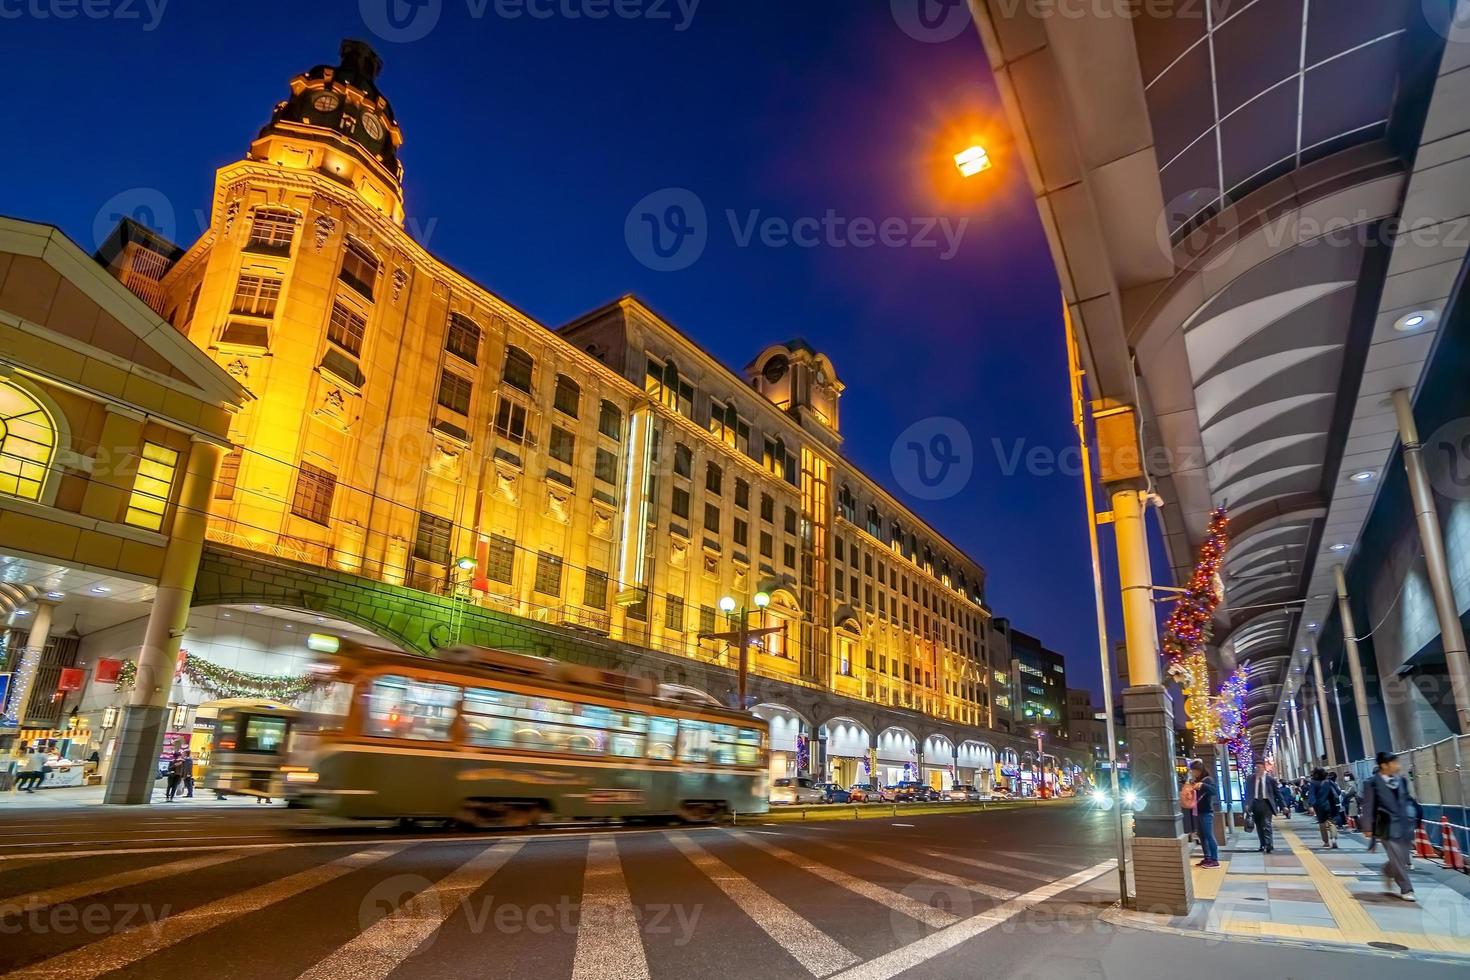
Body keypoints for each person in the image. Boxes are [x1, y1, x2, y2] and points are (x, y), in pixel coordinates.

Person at [1361, 751, 1419, 902]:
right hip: (1385, 824)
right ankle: (1406, 889)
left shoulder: (1401, 780)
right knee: (1397, 857)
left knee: (1404, 858)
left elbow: (1407, 800)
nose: (1397, 765)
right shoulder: (1371, 783)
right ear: (1384, 765)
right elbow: (1368, 806)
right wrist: (1367, 827)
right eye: (1394, 763)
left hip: (1404, 823)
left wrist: (1413, 816)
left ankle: (1387, 870)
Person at [1246, 761, 1282, 853]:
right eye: (1256, 767)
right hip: (1255, 804)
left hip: (1267, 804)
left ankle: (1269, 844)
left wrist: (1284, 806)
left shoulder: (1270, 779)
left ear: (1264, 768)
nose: (1258, 769)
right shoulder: (1250, 778)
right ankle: (1262, 844)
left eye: (1260, 767)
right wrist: (1247, 804)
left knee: (1266, 824)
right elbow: (1247, 792)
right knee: (1258, 826)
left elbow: (1278, 793)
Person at [1190, 759, 1220, 868]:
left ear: (1200, 770)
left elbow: (1214, 791)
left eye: (1194, 771)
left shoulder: (1207, 780)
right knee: (1202, 836)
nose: (1193, 773)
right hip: (1198, 811)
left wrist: (1202, 785)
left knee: (1209, 835)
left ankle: (1215, 859)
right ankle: (1207, 857)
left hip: (1206, 812)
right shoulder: (1196, 781)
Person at [1308, 768, 1341, 848]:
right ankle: (1333, 838)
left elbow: (1312, 795)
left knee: (1322, 823)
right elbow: (1338, 792)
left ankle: (1326, 842)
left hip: (1319, 806)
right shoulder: (1329, 781)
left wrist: (1311, 805)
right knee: (1332, 821)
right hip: (1331, 804)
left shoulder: (1313, 783)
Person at [1179, 775, 1199, 845]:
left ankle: (1191, 836)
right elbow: (1189, 796)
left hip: (1185, 806)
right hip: (1192, 806)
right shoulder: (1189, 787)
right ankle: (1193, 836)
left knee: (1188, 822)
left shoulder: (1183, 787)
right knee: (1193, 821)